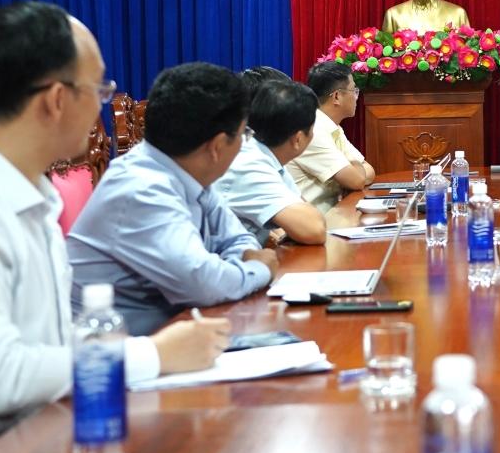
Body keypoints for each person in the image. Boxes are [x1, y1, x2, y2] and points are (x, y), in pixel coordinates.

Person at [0, 1, 229, 453]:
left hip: (50, 434)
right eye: (98, 88)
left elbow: (47, 340)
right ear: (56, 99)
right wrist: (152, 354)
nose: (102, 105)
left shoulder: (29, 191)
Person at [68, 62, 279, 336]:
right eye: (243, 135)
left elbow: (237, 240)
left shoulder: (189, 170)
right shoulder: (142, 188)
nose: (244, 143)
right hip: (113, 356)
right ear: (216, 146)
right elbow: (204, 284)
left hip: (174, 333)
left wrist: (235, 266)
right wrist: (259, 269)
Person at [216, 78, 327, 246]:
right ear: (297, 139)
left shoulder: (266, 155)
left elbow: (302, 209)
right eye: (311, 131)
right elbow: (314, 228)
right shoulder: (248, 163)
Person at [287, 62, 377, 213]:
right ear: (336, 96)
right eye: (354, 90)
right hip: (310, 224)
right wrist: (351, 175)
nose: (356, 97)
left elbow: (369, 170)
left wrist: (352, 174)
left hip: (332, 214)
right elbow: (357, 180)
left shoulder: (333, 127)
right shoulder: (313, 128)